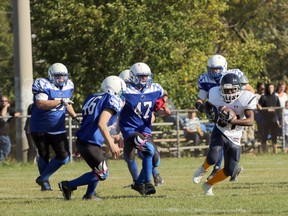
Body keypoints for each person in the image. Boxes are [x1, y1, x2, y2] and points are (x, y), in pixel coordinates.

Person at [58, 76, 126, 200]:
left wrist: (79, 144)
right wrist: (111, 144)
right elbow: (101, 123)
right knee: (102, 173)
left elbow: (88, 122)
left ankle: (89, 194)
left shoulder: (92, 97)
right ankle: (68, 185)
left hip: (85, 140)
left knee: (97, 169)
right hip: (90, 142)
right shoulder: (112, 99)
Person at [193, 72, 256, 196]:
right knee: (213, 156)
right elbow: (208, 105)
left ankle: (208, 184)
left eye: (232, 90)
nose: (229, 93)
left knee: (230, 169)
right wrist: (209, 112)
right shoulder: (215, 93)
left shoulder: (246, 97)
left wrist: (232, 121)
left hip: (235, 135)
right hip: (220, 130)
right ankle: (203, 168)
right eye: (226, 90)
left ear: (239, 88)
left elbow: (250, 121)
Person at [119, 62, 170, 195]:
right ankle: (147, 183)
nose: (145, 79)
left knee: (155, 160)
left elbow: (156, 108)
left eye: (146, 76)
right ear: (133, 77)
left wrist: (163, 111)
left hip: (145, 130)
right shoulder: (125, 91)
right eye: (142, 76)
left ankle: (138, 183)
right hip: (130, 131)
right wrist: (115, 132)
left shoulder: (154, 89)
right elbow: (115, 112)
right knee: (144, 152)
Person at [30, 63, 80, 191]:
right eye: (57, 76)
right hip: (39, 126)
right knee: (43, 154)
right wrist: (60, 101)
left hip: (57, 127)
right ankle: (45, 184)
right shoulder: (43, 84)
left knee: (64, 157)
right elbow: (41, 104)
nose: (60, 79)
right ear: (51, 75)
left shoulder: (69, 86)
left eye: (63, 76)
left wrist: (75, 117)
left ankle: (43, 177)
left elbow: (67, 103)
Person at [258, 83, 282, 154]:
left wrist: (278, 119)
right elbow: (259, 107)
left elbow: (279, 109)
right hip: (265, 120)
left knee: (274, 136)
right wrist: (266, 110)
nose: (270, 89)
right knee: (264, 136)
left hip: (274, 119)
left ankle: (275, 152)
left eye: (272, 87)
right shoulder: (263, 97)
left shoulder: (276, 97)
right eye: (269, 87)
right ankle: (264, 152)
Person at [0, 95, 21, 161]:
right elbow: (2, 115)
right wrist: (6, 106)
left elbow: (16, 113)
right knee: (6, 147)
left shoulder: (9, 109)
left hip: (5, 133)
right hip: (1, 133)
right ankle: (1, 161)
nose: (4, 102)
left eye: (5, 101)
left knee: (6, 148)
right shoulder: (3, 108)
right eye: (2, 101)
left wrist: (17, 114)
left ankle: (1, 161)